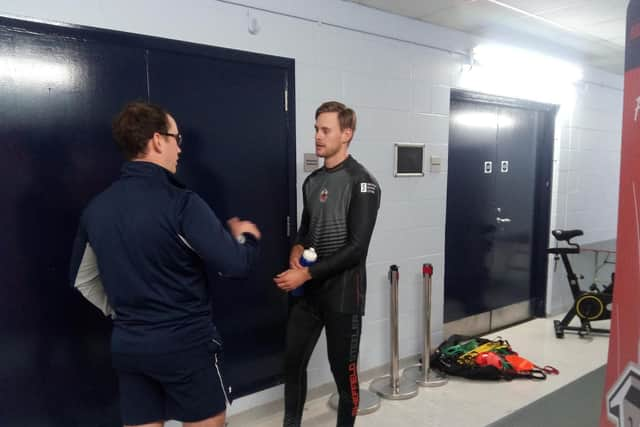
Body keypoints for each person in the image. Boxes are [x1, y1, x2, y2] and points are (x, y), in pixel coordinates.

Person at [69, 101, 261, 427]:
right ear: (158, 140)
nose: (179, 149)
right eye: (176, 139)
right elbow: (234, 265)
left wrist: (128, 314)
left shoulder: (97, 209)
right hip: (187, 346)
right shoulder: (183, 203)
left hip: (130, 347)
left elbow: (83, 280)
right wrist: (246, 238)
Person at [274, 101, 381, 427]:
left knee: (343, 376)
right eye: (316, 129)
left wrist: (304, 273)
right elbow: (306, 230)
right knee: (292, 364)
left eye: (325, 130)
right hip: (309, 296)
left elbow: (356, 249)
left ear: (346, 133)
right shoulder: (313, 181)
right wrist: (296, 247)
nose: (318, 136)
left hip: (343, 297)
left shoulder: (363, 182)